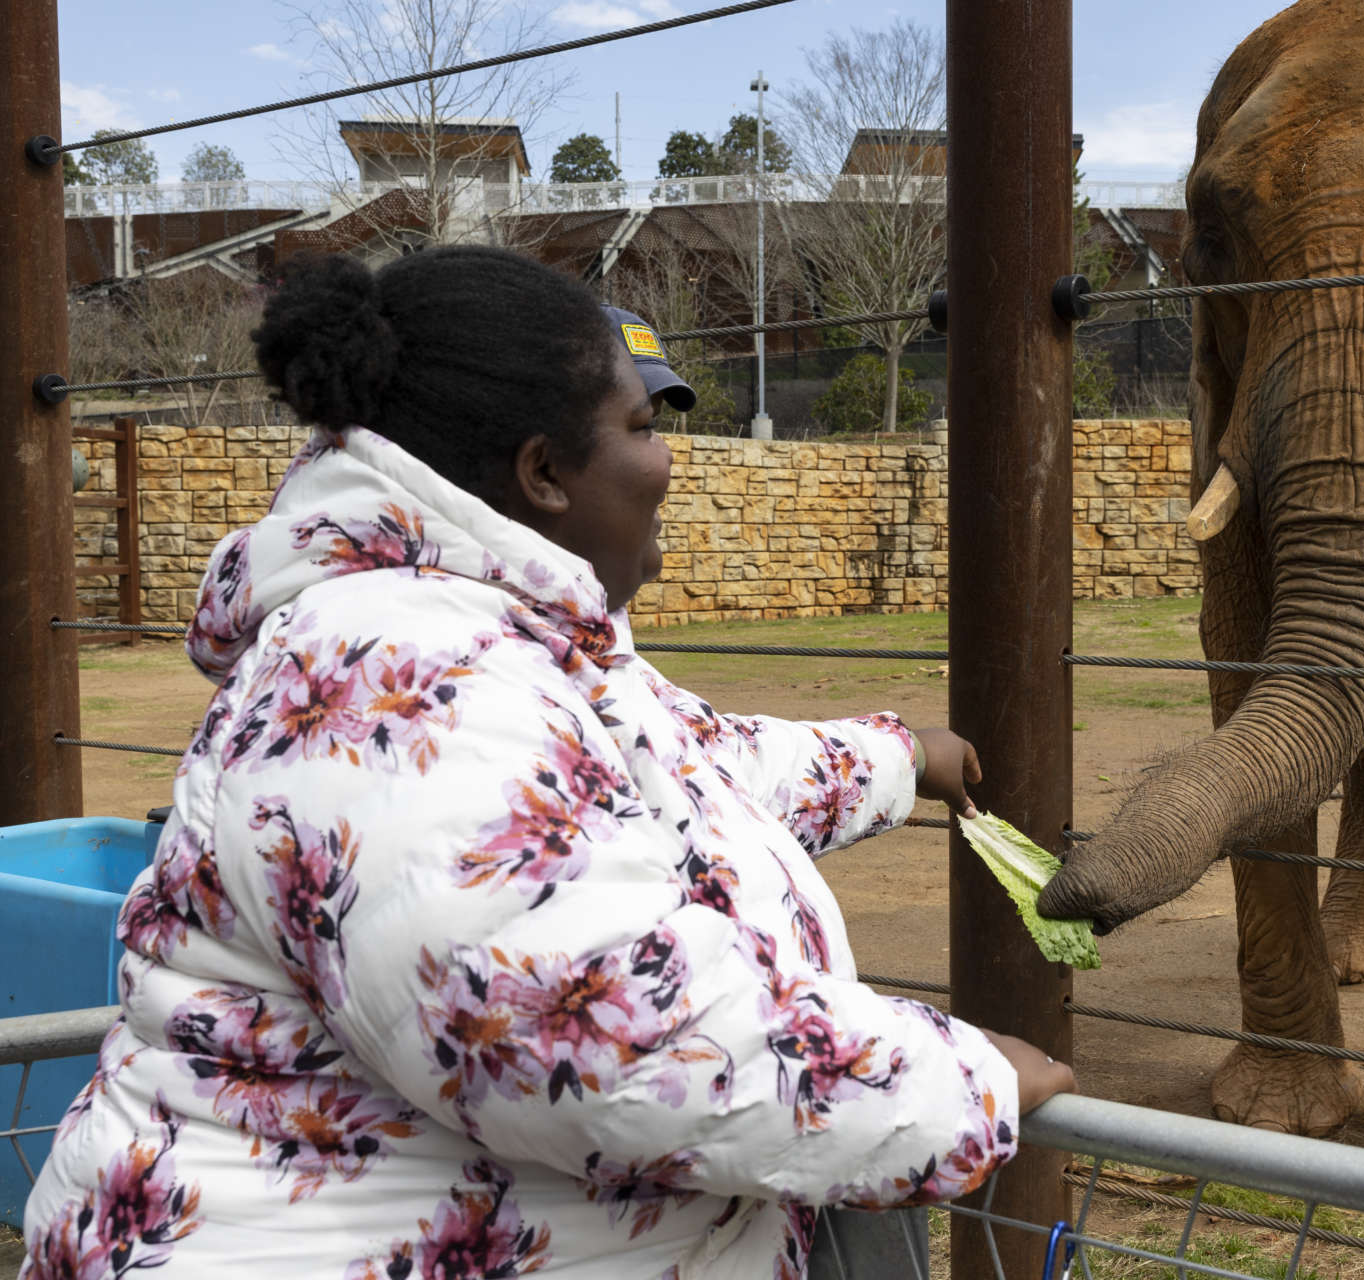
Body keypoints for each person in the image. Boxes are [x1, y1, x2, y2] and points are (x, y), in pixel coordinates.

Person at [22, 246, 1074, 1279]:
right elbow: (588, 1031)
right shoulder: (390, 675)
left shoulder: (517, 643)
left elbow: (694, 771)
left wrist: (892, 760)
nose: (666, 459)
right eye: (642, 426)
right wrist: (953, 1080)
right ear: (542, 471)